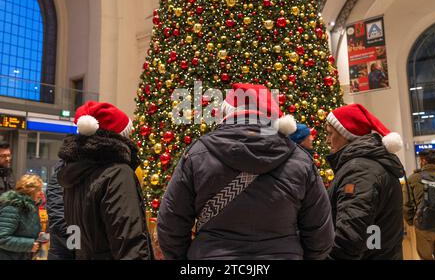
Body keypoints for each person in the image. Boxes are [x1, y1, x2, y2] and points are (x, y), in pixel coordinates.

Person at [157, 83, 334, 260]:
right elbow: (320, 234)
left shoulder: (197, 155)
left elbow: (171, 224)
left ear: (227, 113)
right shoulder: (300, 160)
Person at [57, 101, 153, 260]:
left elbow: (73, 237)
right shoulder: (118, 173)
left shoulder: (73, 173)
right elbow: (129, 241)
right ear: (117, 138)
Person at [325, 103, 405, 259]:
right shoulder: (367, 165)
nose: (327, 140)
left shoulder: (360, 171)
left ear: (345, 134)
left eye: (330, 134)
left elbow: (349, 237)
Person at [403, 149, 435, 260]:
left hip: (423, 227)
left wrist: (412, 221)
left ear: (423, 160)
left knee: (425, 257)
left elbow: (406, 204)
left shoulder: (413, 178)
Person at [0, 174, 45, 260]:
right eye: (38, 190)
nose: (41, 193)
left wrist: (38, 235)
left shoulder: (31, 208)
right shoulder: (12, 208)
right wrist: (29, 245)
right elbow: (2, 239)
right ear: (30, 191)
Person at [46, 160, 75, 260]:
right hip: (63, 251)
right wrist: (80, 242)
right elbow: (58, 218)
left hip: (72, 247)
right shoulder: (59, 178)